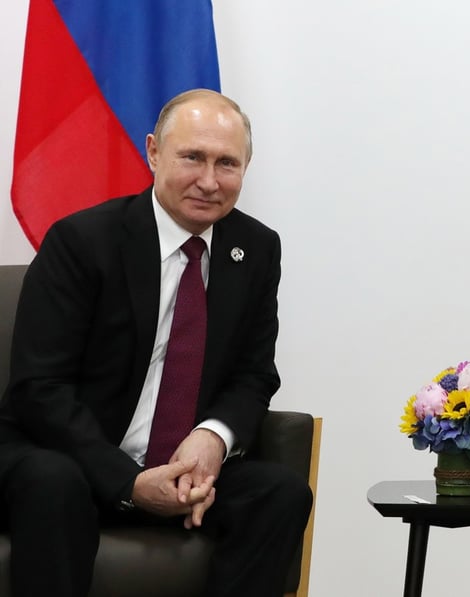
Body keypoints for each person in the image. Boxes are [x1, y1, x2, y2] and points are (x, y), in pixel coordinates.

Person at [0, 89, 312, 596]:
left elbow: (255, 373)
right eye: (192, 157)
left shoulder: (255, 249)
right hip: (72, 459)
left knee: (279, 493)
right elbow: (40, 389)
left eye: (227, 163)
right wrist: (128, 482)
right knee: (52, 482)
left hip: (185, 471)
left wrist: (213, 438)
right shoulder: (82, 241)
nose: (209, 181)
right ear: (153, 152)